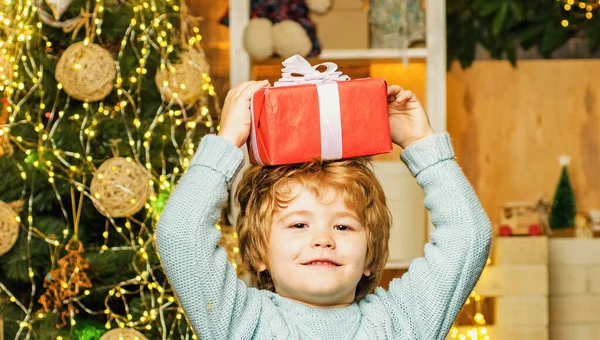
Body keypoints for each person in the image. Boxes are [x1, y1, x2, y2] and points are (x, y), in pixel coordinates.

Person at [155, 80, 492, 339]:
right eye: (299, 225)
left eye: (343, 227)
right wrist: (227, 141)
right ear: (259, 253)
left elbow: (468, 236)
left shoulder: (399, 323)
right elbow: (181, 236)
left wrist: (421, 143)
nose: (323, 240)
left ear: (371, 255)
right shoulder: (241, 322)